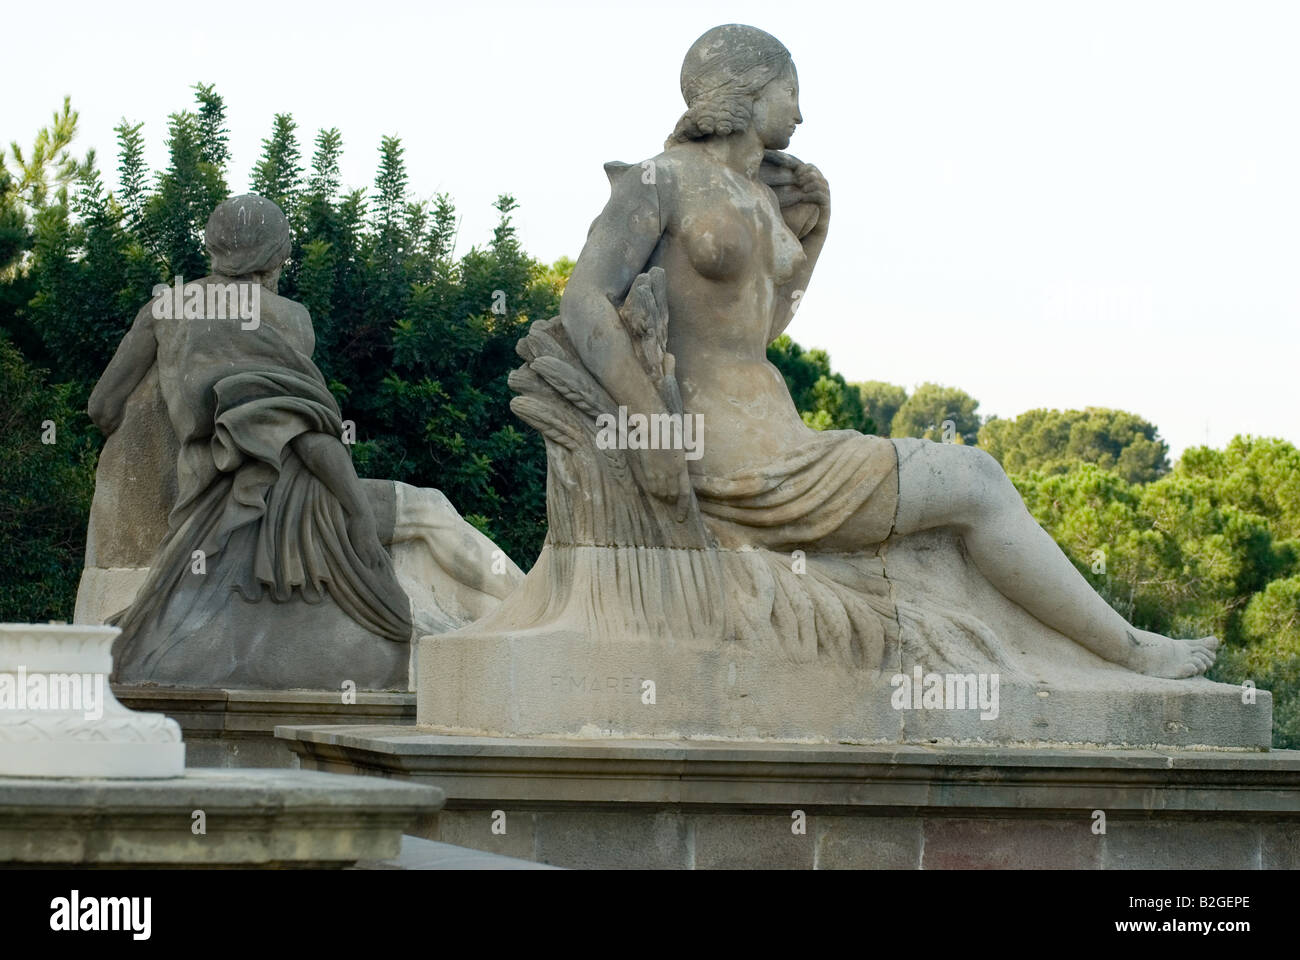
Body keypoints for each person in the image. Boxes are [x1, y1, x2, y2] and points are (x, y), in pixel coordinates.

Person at [557, 23, 1216, 679]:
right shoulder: (657, 179)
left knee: (973, 483)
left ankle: (1118, 649)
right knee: (978, 482)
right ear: (751, 92)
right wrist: (652, 423)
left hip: (780, 440)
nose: (800, 111)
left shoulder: (759, 195)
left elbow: (757, 335)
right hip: (724, 453)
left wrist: (813, 237)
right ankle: (1127, 652)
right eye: (790, 91)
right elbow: (583, 300)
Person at [89, 195, 411, 683]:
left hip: (202, 499)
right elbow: (302, 426)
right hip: (295, 498)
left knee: (160, 639)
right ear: (273, 258)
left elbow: (102, 407)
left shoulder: (167, 305)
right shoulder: (291, 317)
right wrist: (359, 517)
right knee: (386, 617)